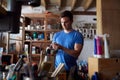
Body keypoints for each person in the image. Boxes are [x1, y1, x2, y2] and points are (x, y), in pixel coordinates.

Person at [51, 10, 84, 80]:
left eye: (66, 22)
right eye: (62, 22)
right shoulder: (56, 35)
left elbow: (76, 53)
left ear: (72, 21)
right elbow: (53, 52)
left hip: (71, 70)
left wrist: (62, 48)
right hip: (58, 70)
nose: (63, 24)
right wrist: (53, 49)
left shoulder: (77, 35)